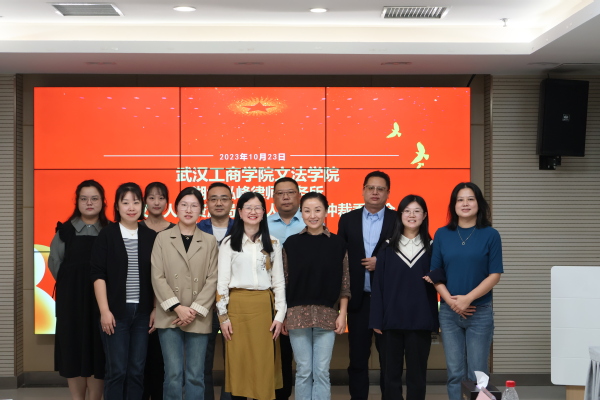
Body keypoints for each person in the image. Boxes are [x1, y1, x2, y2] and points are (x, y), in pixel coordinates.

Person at [426, 182, 503, 400]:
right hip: (449, 313)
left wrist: (467, 299)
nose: (465, 204)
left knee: (478, 374)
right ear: (454, 205)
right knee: (455, 373)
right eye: (460, 200)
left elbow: (495, 275)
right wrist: (452, 303)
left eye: (470, 199)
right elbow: (435, 273)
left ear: (479, 204)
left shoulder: (490, 235)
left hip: (480, 312)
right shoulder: (442, 234)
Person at [91, 182, 157, 400]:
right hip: (115, 313)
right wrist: (104, 311)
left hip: (143, 314)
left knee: (137, 371)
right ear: (117, 206)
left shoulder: (150, 236)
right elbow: (98, 275)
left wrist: (155, 308)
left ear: (142, 206)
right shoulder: (107, 235)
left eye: (136, 202)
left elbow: (157, 276)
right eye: (125, 202)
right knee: (117, 371)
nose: (131, 207)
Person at [217, 192, 286, 400]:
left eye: (257, 208)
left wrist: (279, 316)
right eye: (248, 207)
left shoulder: (273, 243)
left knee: (262, 365)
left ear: (264, 212)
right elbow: (222, 283)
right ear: (239, 212)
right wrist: (223, 317)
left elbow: (279, 282)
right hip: (237, 308)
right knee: (239, 364)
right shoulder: (229, 243)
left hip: (264, 308)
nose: (253, 212)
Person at [151, 186, 219, 400]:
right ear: (176, 207)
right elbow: (157, 276)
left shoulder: (209, 241)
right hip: (170, 315)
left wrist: (194, 310)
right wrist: (177, 307)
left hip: (198, 316)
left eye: (194, 206)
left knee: (195, 375)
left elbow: (213, 278)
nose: (188, 210)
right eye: (184, 205)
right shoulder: (162, 238)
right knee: (172, 374)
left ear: (201, 210)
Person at [369, 195, 438, 400]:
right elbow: (378, 286)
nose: (411, 215)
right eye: (407, 211)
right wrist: (376, 319)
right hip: (390, 322)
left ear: (424, 215)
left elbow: (441, 280)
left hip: (420, 321)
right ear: (400, 215)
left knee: (417, 376)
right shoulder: (387, 248)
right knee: (390, 375)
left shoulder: (433, 248)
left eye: (417, 211)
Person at [283, 192, 349, 400]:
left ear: (326, 212)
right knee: (303, 370)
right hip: (297, 315)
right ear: (301, 213)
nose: (313, 215)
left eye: (317, 210)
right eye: (307, 211)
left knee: (321, 371)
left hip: (327, 315)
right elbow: (283, 282)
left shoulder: (338, 244)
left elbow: (345, 283)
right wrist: (282, 315)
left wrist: (342, 314)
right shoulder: (291, 244)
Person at [337, 170, 396, 400]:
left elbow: (408, 257)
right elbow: (340, 259)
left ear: (388, 193)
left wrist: (382, 263)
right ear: (363, 190)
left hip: (388, 302)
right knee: (358, 358)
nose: (375, 192)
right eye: (371, 188)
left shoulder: (398, 219)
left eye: (380, 189)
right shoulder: (347, 219)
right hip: (358, 300)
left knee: (389, 359)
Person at [49, 179, 109, 400]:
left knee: (98, 352)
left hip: (102, 305)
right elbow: (55, 264)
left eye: (94, 198)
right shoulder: (64, 231)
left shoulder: (111, 231)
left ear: (103, 202)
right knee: (72, 351)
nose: (89, 203)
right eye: (84, 199)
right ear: (77, 202)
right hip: (71, 303)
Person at [267, 177, 304, 400]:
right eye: (280, 193)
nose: (286, 197)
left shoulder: (311, 221)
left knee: (302, 356)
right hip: (270, 299)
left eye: (290, 192)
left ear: (299, 196)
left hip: (302, 296)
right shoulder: (263, 224)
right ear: (274, 198)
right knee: (277, 354)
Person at [198, 182, 235, 400]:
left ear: (232, 202)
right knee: (202, 361)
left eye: (224, 198)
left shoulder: (242, 228)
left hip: (234, 305)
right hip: (203, 305)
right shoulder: (197, 228)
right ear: (207, 203)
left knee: (233, 361)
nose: (219, 203)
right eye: (213, 199)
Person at [141, 182, 175, 400]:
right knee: (140, 358)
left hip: (168, 303)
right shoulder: (135, 228)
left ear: (167, 202)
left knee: (163, 359)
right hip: (140, 301)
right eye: (152, 197)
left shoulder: (175, 230)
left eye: (161, 197)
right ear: (145, 200)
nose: (156, 202)